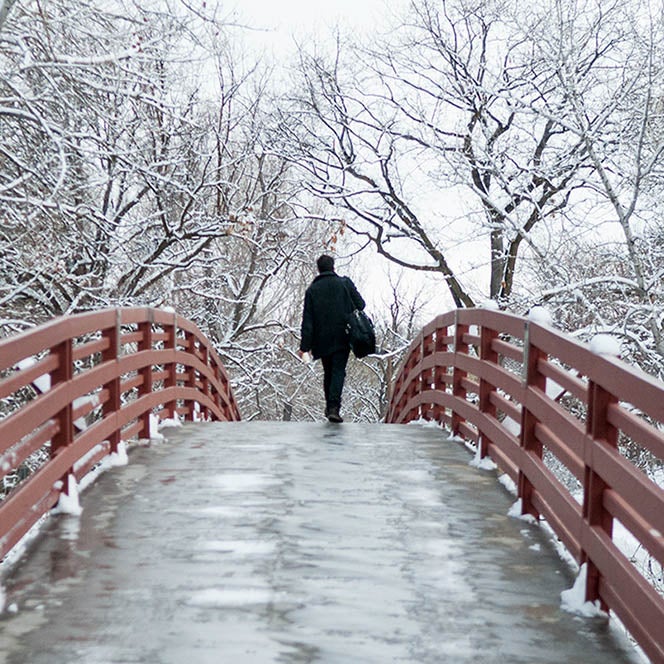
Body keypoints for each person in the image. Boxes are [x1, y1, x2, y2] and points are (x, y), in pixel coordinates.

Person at [298, 254, 366, 423]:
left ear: (319, 269)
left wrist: (305, 346)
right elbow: (361, 304)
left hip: (321, 340)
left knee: (328, 371)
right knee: (338, 371)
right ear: (333, 267)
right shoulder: (344, 283)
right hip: (343, 335)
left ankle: (330, 407)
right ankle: (333, 407)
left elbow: (308, 321)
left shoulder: (312, 291)